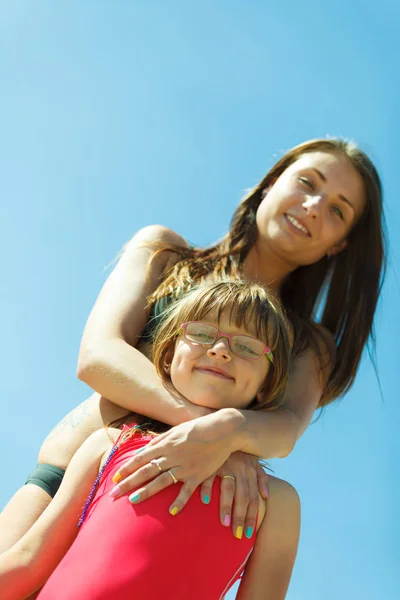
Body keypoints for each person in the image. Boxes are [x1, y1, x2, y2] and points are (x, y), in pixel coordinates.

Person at [0, 137, 385, 551]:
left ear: (339, 244)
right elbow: (98, 356)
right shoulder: (163, 253)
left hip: (161, 527)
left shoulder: (311, 345)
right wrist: (217, 433)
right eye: (308, 182)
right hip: (58, 484)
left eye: (337, 211)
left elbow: (285, 430)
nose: (313, 206)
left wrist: (230, 433)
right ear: (272, 182)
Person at [0, 280, 300, 600]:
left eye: (247, 347)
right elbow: (29, 562)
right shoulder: (107, 445)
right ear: (168, 357)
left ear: (267, 386)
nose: (220, 350)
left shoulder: (275, 500)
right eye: (201, 333)